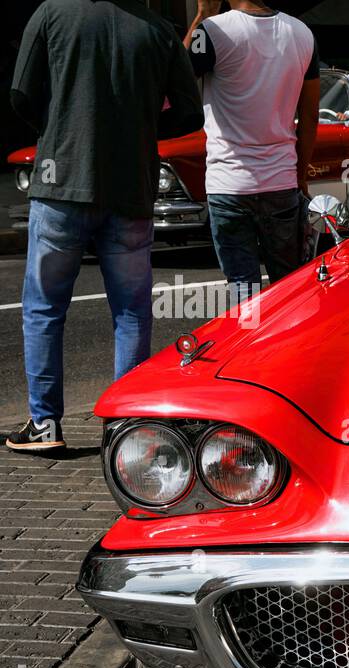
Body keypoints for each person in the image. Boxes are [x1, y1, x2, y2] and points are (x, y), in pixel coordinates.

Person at [7, 0, 203, 454]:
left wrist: (59, 127)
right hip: (131, 186)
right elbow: (189, 112)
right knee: (131, 311)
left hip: (61, 181)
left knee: (44, 308)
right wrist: (137, 129)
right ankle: (125, 427)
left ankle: (45, 424)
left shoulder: (51, 14)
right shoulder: (157, 29)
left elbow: (21, 95)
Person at [187, 0, 319, 305]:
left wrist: (202, 15)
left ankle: (250, 350)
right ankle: (289, 350)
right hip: (281, 180)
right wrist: (300, 177)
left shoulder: (213, 30)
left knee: (243, 295)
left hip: (229, 182)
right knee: (289, 291)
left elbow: (174, 78)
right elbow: (310, 115)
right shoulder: (302, 33)